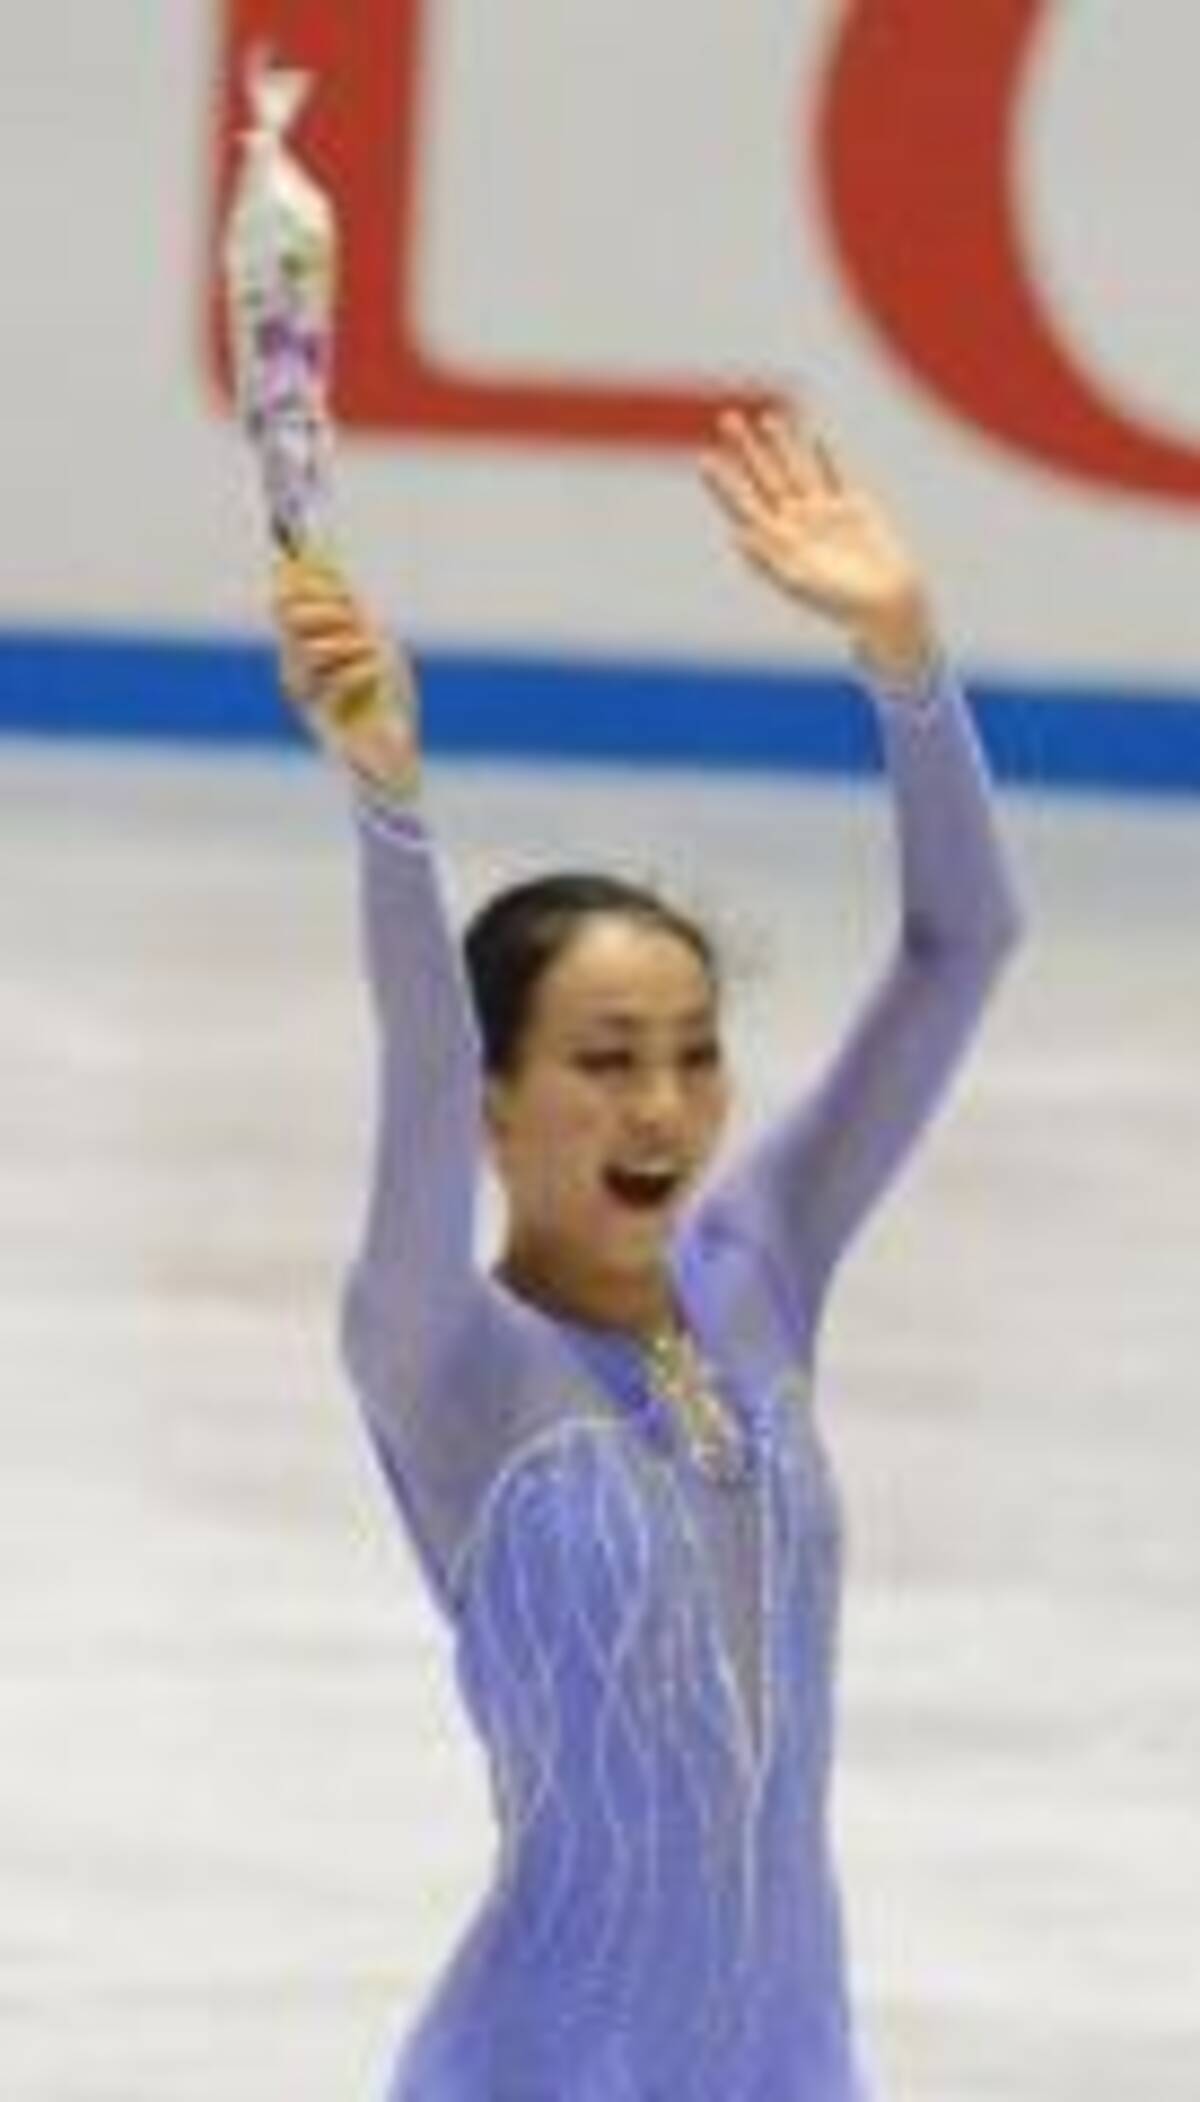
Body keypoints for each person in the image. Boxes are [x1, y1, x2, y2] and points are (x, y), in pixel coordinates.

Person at [271, 403, 1022, 2102]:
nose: (663, 1106)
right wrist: (390, 802)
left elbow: (965, 942)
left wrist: (908, 659)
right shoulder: (445, 1358)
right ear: (497, 1101)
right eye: (605, 1060)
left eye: (694, 1052)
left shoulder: (764, 1271)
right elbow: (414, 1052)